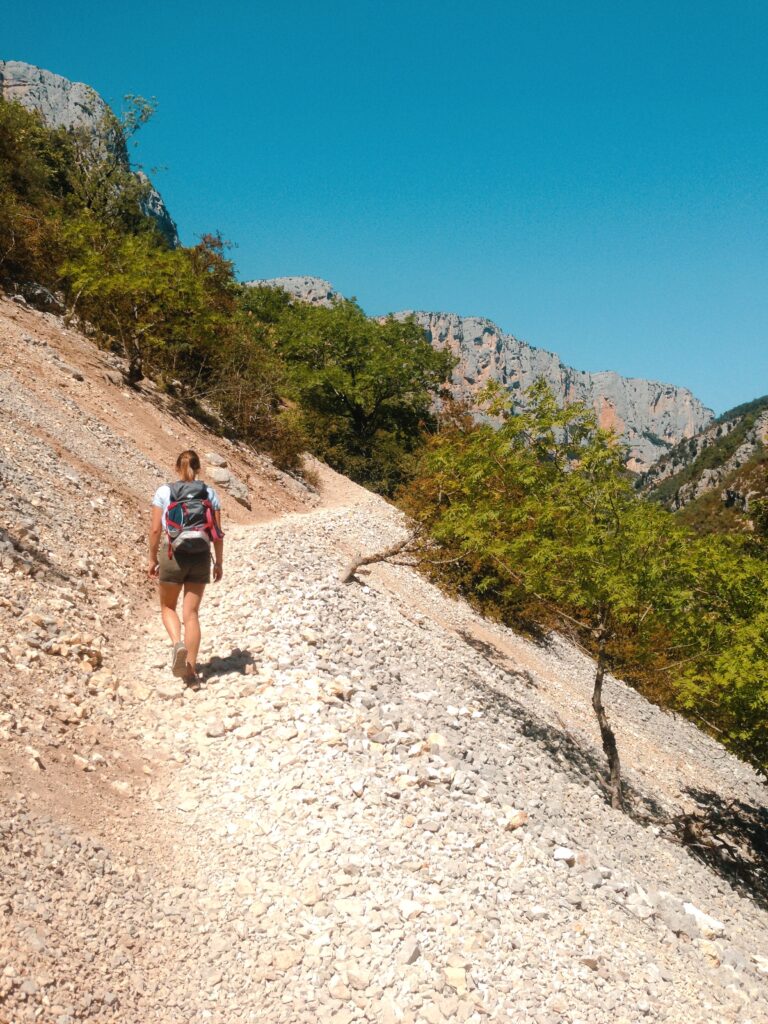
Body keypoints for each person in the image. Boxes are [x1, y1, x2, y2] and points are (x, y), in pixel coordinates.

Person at [148, 450, 224, 685]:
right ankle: (190, 670)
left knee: (167, 606)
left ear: (176, 467)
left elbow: (155, 530)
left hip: (172, 555)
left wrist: (152, 559)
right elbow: (218, 534)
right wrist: (219, 562)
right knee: (191, 614)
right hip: (200, 556)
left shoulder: (164, 492)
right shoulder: (209, 493)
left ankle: (177, 644)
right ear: (199, 468)